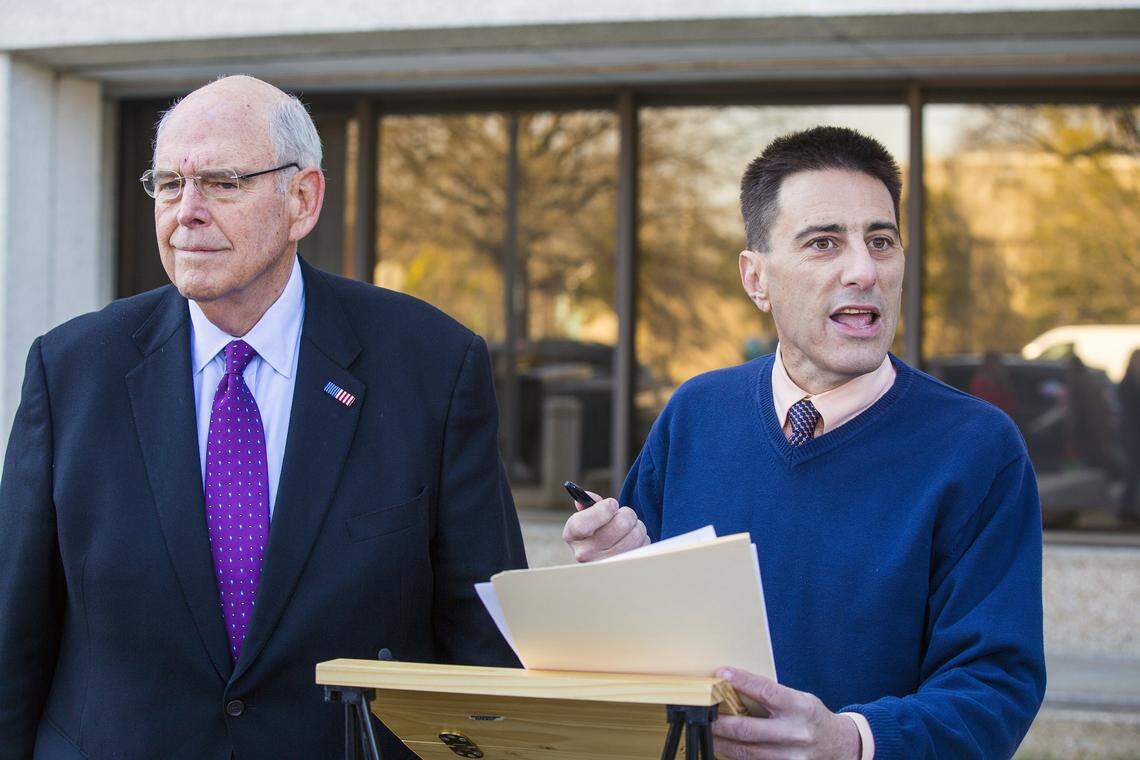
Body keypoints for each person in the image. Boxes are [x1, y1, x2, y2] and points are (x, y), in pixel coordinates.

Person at [0, 75, 525, 759]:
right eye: (167, 185)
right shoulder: (70, 370)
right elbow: (13, 635)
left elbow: (484, 639)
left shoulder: (431, 365)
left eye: (221, 183)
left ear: (302, 200)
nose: (185, 212)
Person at [562, 127, 1045, 759]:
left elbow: (996, 686)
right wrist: (615, 571)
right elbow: (637, 652)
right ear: (756, 278)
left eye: (882, 241)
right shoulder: (695, 414)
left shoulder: (978, 449)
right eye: (824, 243)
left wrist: (851, 742)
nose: (864, 270)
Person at [1119, 349, 1140, 525]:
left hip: (1132, 433)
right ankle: (1127, 509)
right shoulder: (1127, 384)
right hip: (1131, 434)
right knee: (1132, 472)